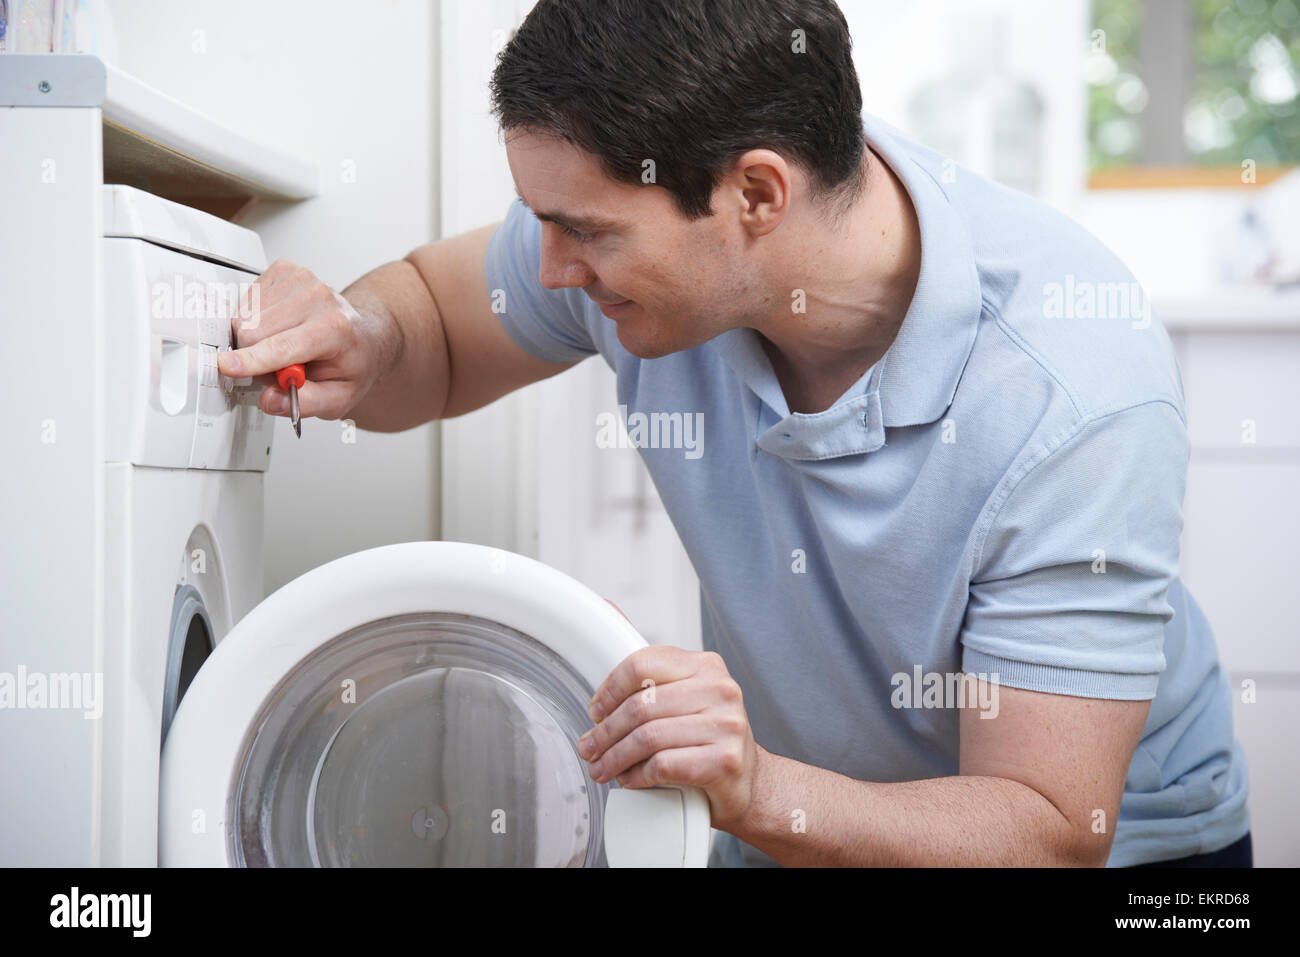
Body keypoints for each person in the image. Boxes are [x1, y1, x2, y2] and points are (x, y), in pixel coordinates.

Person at [217, 0, 1250, 867]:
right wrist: (359, 332)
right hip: (792, 820)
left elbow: (1046, 825)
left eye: (583, 231)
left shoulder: (1071, 398)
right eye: (545, 224)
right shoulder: (653, 253)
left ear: (756, 193)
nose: (549, 272)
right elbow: (433, 326)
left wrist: (755, 790)